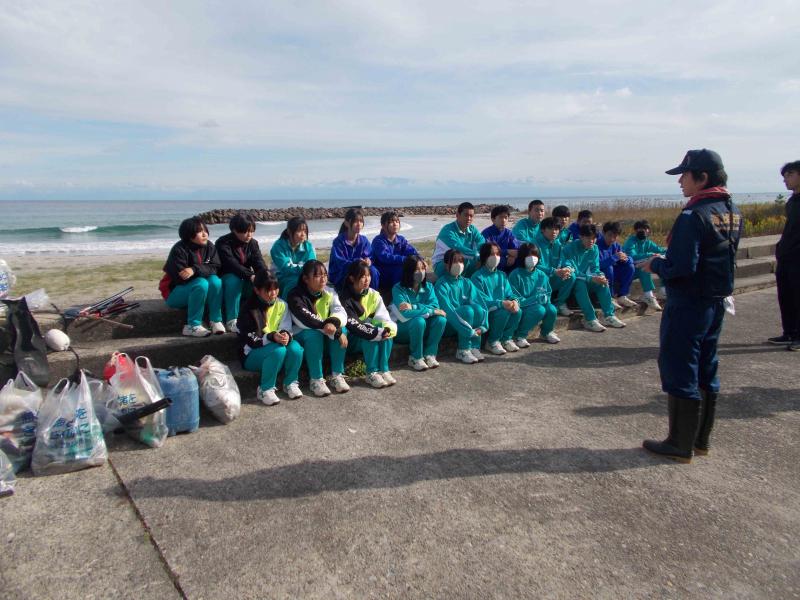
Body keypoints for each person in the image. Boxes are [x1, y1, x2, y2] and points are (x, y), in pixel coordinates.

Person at [641, 148, 742, 463]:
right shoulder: (731, 209)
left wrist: (656, 264)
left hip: (689, 302)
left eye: (684, 175)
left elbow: (682, 266)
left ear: (702, 177)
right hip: (715, 300)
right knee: (706, 366)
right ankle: (700, 440)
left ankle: (679, 443)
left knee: (680, 364)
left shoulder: (693, 215)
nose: (680, 181)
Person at [237, 271, 303, 405]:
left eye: (276, 289)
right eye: (268, 290)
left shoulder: (282, 304)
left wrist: (285, 335)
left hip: (274, 344)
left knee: (296, 349)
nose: (273, 293)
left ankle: (290, 383)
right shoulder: (248, 309)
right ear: (257, 290)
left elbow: (286, 327)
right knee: (278, 350)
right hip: (251, 354)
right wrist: (272, 337)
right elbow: (252, 340)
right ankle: (265, 389)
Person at [287, 260, 350, 397]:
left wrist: (333, 324)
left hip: (324, 332)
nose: (323, 279)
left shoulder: (329, 291)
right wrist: (332, 329)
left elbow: (340, 310)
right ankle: (316, 379)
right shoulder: (295, 295)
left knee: (342, 329)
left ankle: (337, 375)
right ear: (305, 279)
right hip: (302, 333)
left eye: (325, 275)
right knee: (313, 334)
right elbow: (305, 319)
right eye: (317, 276)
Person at [338, 261, 398, 388]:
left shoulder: (374, 294)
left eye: (368, 275)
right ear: (352, 278)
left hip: (367, 334)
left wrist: (386, 329)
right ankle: (371, 373)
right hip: (352, 339)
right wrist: (374, 331)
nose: (367, 280)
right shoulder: (344, 298)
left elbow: (384, 318)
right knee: (370, 333)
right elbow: (353, 324)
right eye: (362, 276)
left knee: (386, 330)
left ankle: (384, 370)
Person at [161, 216, 223, 337]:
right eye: (200, 231)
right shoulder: (179, 250)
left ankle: (215, 320)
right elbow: (182, 277)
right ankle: (192, 325)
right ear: (189, 235)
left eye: (205, 230)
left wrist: (194, 269)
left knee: (215, 281)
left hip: (199, 291)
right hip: (175, 293)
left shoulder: (209, 246)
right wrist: (202, 271)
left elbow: (215, 267)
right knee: (201, 283)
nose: (205, 234)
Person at [562, 223, 626, 332]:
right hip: (570, 282)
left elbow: (595, 268)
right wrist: (590, 278)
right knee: (580, 284)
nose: (591, 241)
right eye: (588, 238)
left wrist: (600, 276)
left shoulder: (594, 248)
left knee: (602, 282)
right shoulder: (570, 248)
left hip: (586, 279)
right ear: (581, 236)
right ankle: (590, 319)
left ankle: (609, 316)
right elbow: (573, 271)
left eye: (594, 238)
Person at [390, 255, 447, 371]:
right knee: (419, 321)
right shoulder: (398, 289)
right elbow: (405, 313)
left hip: (422, 328)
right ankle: (415, 357)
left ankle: (430, 354)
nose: (421, 272)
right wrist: (430, 311)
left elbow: (435, 306)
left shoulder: (428, 287)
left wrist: (414, 306)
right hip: (402, 329)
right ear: (408, 271)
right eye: (416, 269)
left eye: (422, 268)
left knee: (441, 320)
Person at [434, 249, 489, 364]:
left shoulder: (466, 282)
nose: (458, 265)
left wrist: (484, 326)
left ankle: (474, 346)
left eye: (460, 261)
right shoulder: (441, 284)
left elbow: (480, 303)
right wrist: (469, 331)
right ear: (446, 265)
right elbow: (448, 311)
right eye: (454, 261)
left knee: (478, 309)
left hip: (467, 327)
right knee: (467, 310)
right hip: (450, 324)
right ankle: (463, 349)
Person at [216, 212, 268, 333]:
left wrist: (264, 276)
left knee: (263, 281)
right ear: (234, 230)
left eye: (252, 231)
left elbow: (258, 262)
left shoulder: (253, 243)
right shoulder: (223, 243)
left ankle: (261, 316)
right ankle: (232, 320)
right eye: (245, 232)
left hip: (245, 278)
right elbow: (231, 264)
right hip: (227, 278)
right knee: (235, 280)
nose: (249, 235)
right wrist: (250, 275)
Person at [470, 242, 522, 354]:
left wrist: (515, 301)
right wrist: (500, 303)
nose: (495, 257)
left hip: (502, 308)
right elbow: (481, 301)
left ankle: (506, 339)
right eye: (491, 254)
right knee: (503, 312)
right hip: (487, 313)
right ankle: (492, 342)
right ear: (484, 257)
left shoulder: (502, 275)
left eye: (498, 254)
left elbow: (510, 293)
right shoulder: (477, 277)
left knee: (517, 311)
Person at [769, 160, 800, 350]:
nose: (785, 179)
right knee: (785, 296)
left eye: (789, 174)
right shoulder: (792, 201)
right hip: (786, 257)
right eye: (784, 176)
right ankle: (789, 332)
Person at [508, 244, 560, 345]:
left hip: (539, 305)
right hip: (523, 308)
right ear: (522, 257)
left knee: (552, 309)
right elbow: (514, 297)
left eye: (535, 255)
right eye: (528, 256)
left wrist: (545, 299)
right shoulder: (515, 274)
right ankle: (520, 335)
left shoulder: (541, 275)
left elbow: (547, 292)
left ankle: (546, 332)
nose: (532, 258)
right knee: (539, 309)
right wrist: (535, 299)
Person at [371, 211, 419, 301]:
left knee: (414, 266)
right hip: (382, 274)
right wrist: (405, 259)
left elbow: (411, 251)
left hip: (396, 273)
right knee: (400, 269)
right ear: (383, 225)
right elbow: (385, 257)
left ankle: (409, 296)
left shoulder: (401, 239)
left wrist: (419, 259)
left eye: (397, 221)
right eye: (391, 222)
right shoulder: (378, 240)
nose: (395, 224)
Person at [533, 217, 576, 317]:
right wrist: (554, 271)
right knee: (543, 277)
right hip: (539, 280)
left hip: (553, 277)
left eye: (556, 229)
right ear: (542, 230)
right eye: (550, 228)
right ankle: (542, 305)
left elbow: (565, 260)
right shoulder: (534, 244)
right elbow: (534, 266)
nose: (554, 232)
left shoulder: (558, 244)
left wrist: (567, 268)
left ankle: (560, 304)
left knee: (571, 276)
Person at [328, 208, 379, 290]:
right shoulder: (338, 241)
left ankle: (372, 294)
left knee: (373, 271)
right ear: (346, 223)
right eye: (355, 221)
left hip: (359, 269)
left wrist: (368, 260)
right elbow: (341, 263)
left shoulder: (364, 240)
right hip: (341, 272)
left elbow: (370, 256)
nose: (359, 224)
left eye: (361, 221)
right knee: (352, 274)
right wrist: (357, 262)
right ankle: (346, 295)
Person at [431, 202, 486, 278]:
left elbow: (481, 241)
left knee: (482, 260)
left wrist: (480, 254)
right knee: (461, 259)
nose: (469, 218)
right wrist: (477, 255)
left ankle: (470, 281)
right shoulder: (447, 230)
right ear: (457, 215)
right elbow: (458, 249)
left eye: (471, 216)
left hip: (463, 259)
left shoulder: (472, 229)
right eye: (466, 215)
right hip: (442, 264)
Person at [623, 220, 666, 310]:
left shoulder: (648, 242)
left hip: (638, 268)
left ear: (648, 230)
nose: (642, 231)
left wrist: (671, 251)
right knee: (645, 268)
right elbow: (632, 257)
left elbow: (661, 251)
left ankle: (663, 291)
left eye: (645, 229)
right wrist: (650, 255)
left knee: (662, 262)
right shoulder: (631, 241)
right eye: (639, 229)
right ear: (635, 231)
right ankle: (648, 296)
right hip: (627, 271)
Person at [270, 216, 317, 299]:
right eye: (299, 231)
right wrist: (304, 269)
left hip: (304, 277)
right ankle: (287, 305)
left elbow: (312, 266)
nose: (303, 234)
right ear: (289, 231)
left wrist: (306, 272)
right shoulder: (278, 246)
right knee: (294, 283)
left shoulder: (308, 246)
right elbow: (286, 269)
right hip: (281, 278)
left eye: (305, 231)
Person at [597, 221, 638, 309]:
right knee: (609, 268)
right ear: (603, 233)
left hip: (613, 275)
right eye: (609, 235)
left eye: (615, 236)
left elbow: (629, 258)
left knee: (630, 267)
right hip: (600, 275)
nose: (612, 239)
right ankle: (609, 297)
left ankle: (622, 296)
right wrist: (614, 258)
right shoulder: (596, 245)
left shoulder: (616, 245)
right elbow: (598, 265)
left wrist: (626, 259)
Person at [481, 205, 520, 273]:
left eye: (506, 217)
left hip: (507, 262)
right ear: (493, 220)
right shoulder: (486, 233)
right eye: (500, 217)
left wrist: (513, 256)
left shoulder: (508, 233)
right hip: (492, 262)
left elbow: (516, 249)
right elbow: (487, 252)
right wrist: (507, 252)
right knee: (500, 260)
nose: (503, 220)